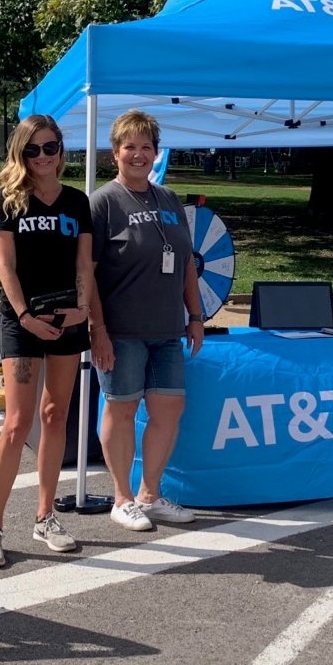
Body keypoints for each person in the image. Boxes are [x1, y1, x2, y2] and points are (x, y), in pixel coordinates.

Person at [0, 115, 94, 567]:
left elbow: (84, 264)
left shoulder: (77, 202)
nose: (42, 156)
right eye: (33, 149)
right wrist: (25, 316)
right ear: (19, 152)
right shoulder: (6, 200)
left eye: (50, 147)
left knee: (56, 414)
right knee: (17, 423)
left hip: (67, 318)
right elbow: (5, 267)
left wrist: (82, 309)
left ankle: (45, 516)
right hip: (21, 320)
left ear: (61, 151)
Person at [88, 109, 204, 531]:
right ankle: (122, 498)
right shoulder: (102, 202)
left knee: (168, 410)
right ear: (115, 152)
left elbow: (186, 263)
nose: (138, 154)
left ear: (156, 152)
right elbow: (87, 274)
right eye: (129, 147)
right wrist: (97, 331)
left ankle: (150, 495)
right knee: (121, 410)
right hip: (121, 331)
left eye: (146, 147)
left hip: (167, 330)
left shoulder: (169, 199)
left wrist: (195, 315)